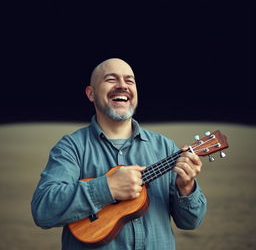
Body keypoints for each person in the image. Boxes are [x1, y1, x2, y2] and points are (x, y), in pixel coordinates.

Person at [31, 58, 207, 250]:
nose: (122, 86)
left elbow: (191, 222)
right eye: (111, 79)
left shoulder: (165, 147)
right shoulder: (71, 147)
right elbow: (43, 210)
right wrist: (107, 188)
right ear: (91, 93)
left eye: (129, 81)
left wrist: (186, 187)